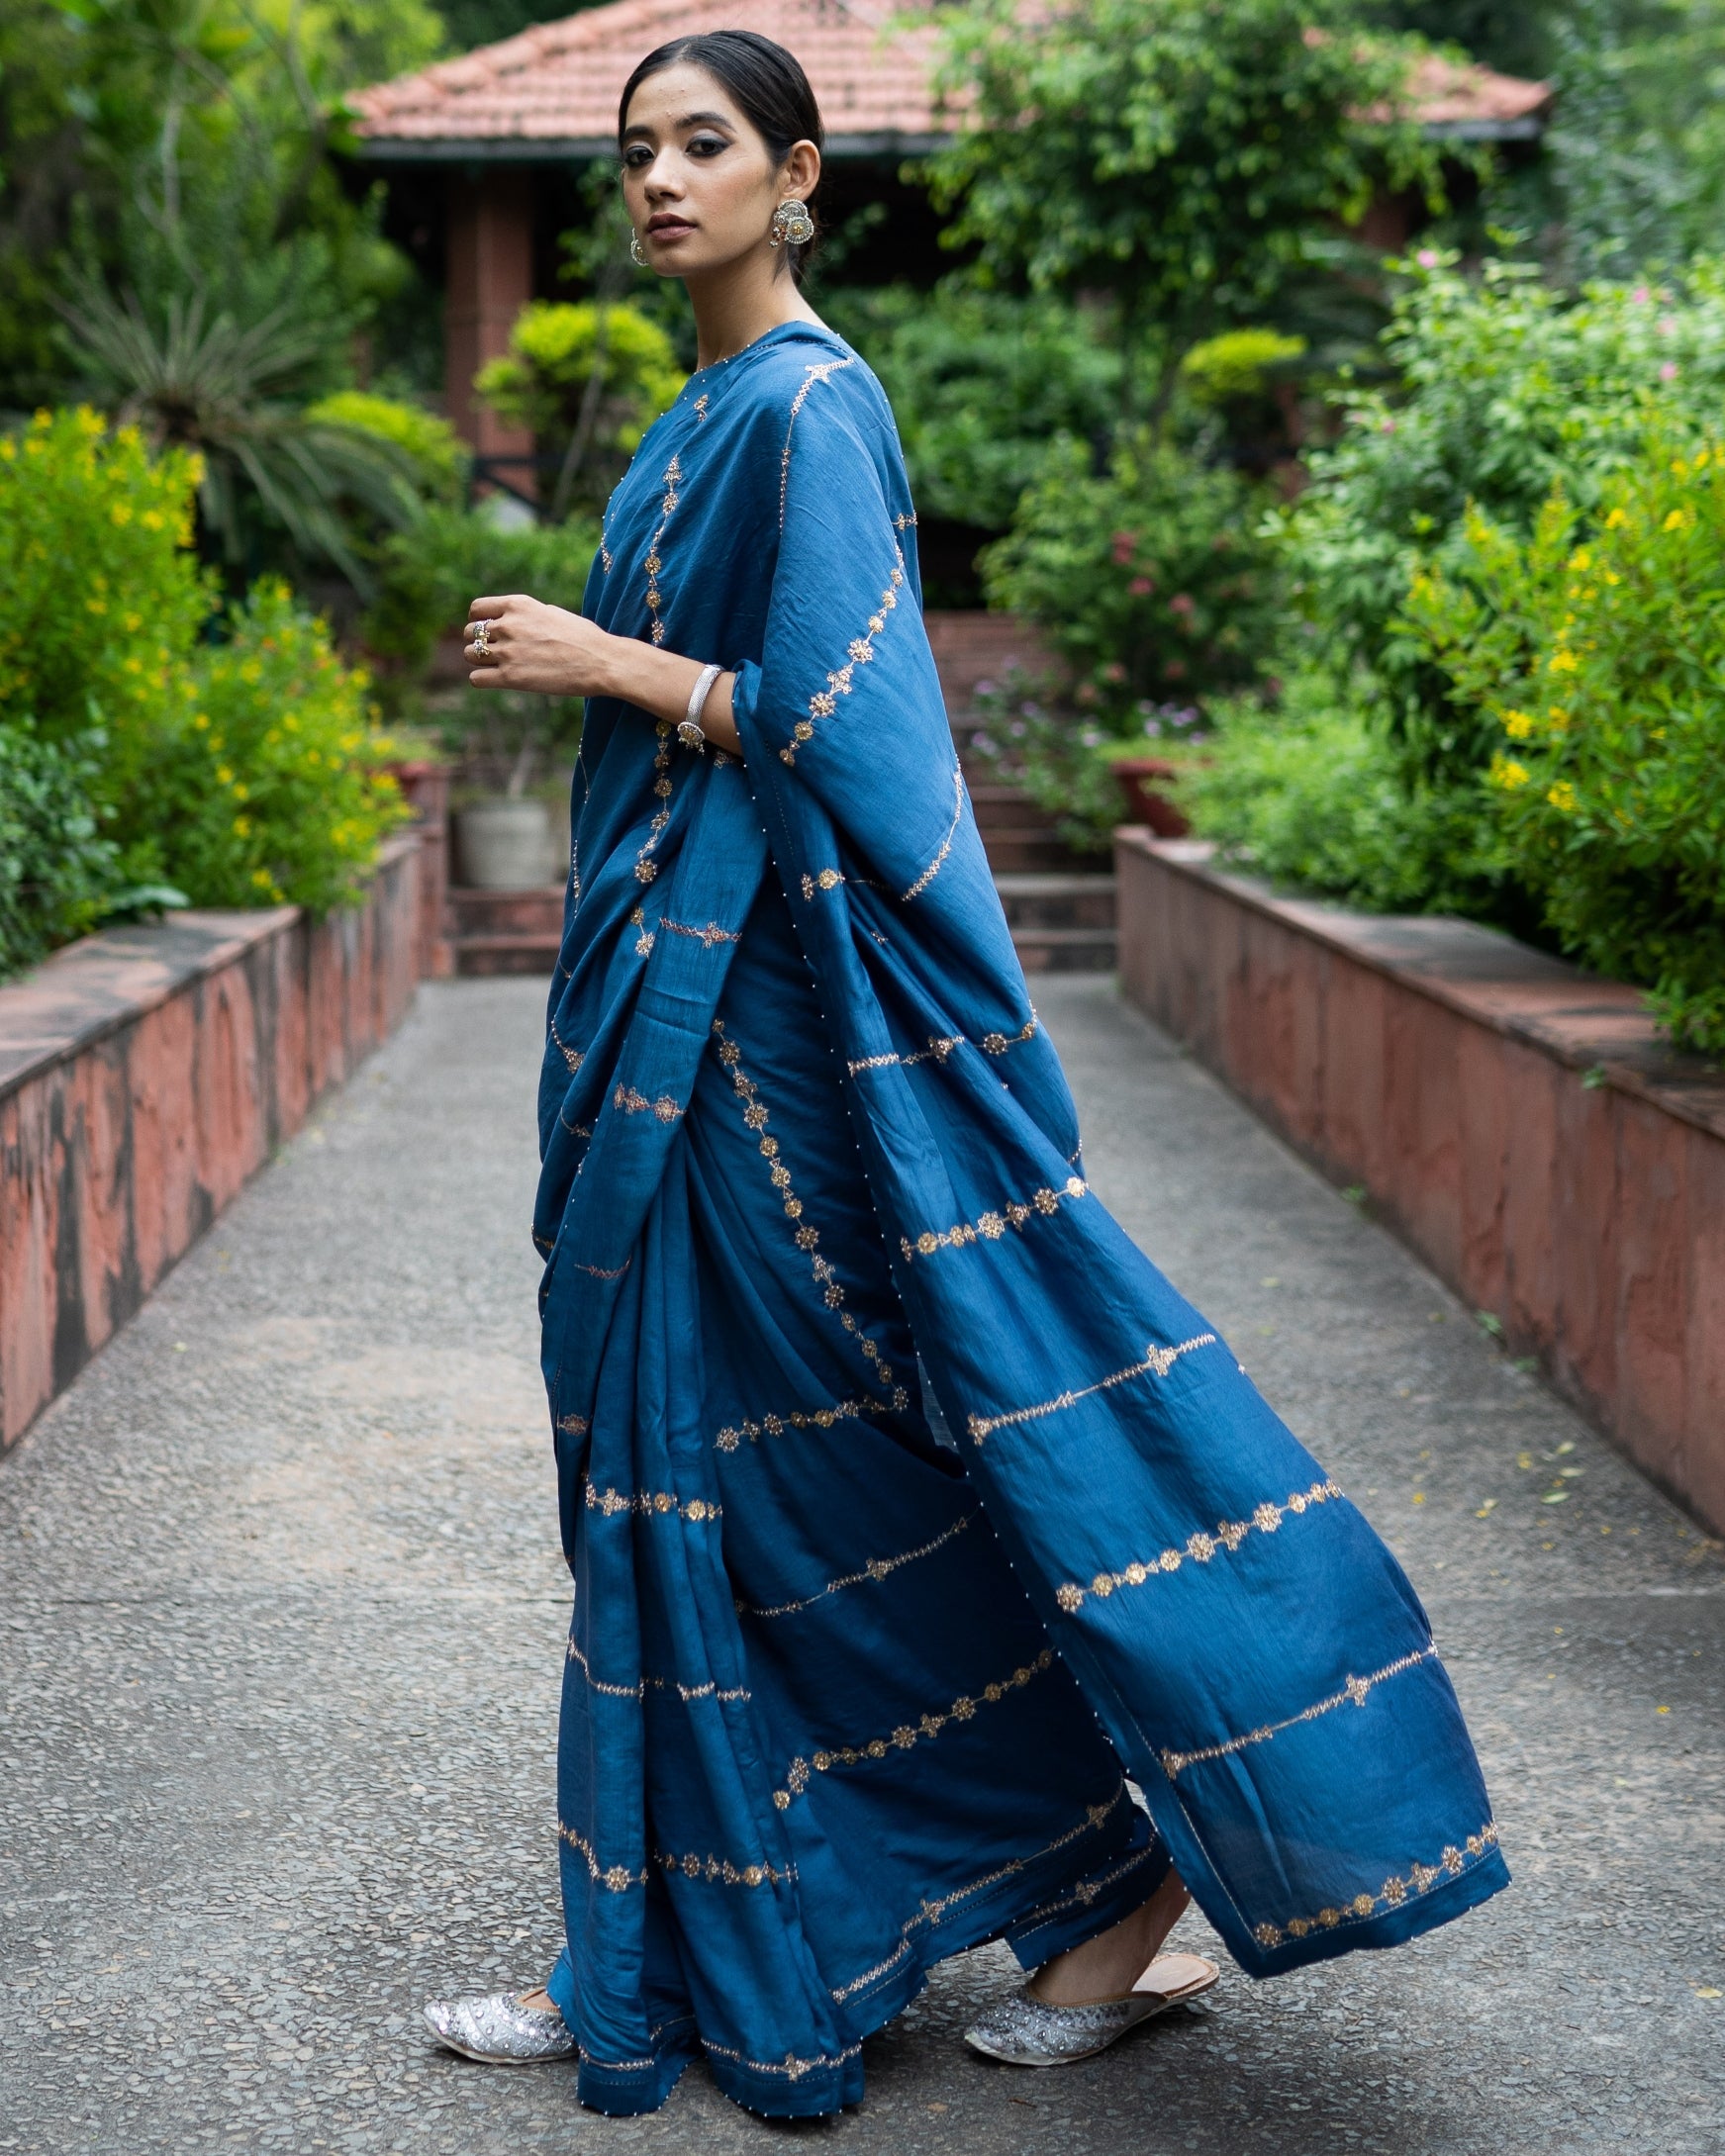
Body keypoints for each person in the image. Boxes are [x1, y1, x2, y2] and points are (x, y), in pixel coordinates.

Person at [421, 29, 1507, 2120]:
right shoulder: (698, 407)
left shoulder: (811, 403)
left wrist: (607, 659)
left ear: (797, 172)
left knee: (830, 1484)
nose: (659, 179)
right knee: (688, 1491)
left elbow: (860, 727)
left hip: (772, 1047)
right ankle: (651, 1947)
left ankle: (1119, 1881)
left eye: (703, 143)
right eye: (635, 148)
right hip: (664, 1016)